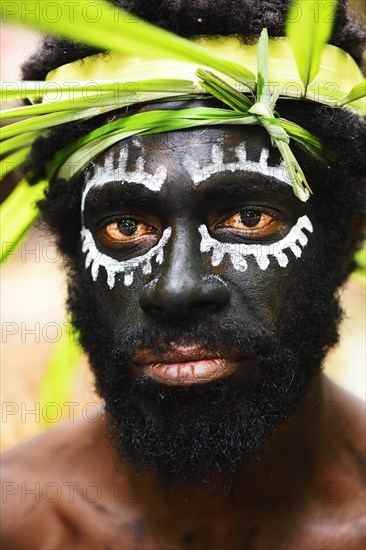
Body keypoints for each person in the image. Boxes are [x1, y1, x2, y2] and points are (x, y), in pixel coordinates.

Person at [1, 0, 365, 548]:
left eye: (247, 217)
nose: (176, 288)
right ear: (71, 253)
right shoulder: (19, 525)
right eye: (125, 226)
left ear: (347, 236)